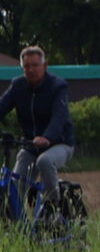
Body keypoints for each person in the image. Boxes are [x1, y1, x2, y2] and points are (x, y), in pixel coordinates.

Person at [0, 44, 75, 221]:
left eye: (35, 65)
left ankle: (53, 207)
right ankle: (20, 227)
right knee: (15, 184)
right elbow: (2, 107)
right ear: (22, 68)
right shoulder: (18, 86)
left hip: (60, 143)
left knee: (45, 161)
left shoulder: (58, 87)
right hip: (30, 145)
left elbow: (59, 117)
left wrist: (47, 137)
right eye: (27, 66)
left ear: (45, 66)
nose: (31, 70)